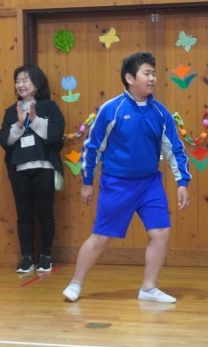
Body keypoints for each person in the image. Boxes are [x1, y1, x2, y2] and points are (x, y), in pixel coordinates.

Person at [62, 52, 191, 304]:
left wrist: (182, 182)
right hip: (117, 184)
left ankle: (149, 288)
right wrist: (87, 182)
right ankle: (75, 283)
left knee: (161, 232)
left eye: (154, 73)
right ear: (130, 78)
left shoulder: (160, 112)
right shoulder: (112, 109)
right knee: (101, 236)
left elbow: (174, 148)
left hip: (150, 184)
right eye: (146, 73)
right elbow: (92, 147)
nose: (152, 78)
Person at [0, 64, 65, 274]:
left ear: (37, 84)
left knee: (46, 213)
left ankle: (45, 256)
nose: (20, 84)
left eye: (25, 80)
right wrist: (19, 124)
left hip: (44, 167)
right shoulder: (12, 111)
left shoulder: (49, 107)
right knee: (24, 215)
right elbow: (4, 140)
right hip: (19, 170)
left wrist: (34, 120)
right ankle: (26, 257)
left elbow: (55, 135)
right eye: (17, 81)